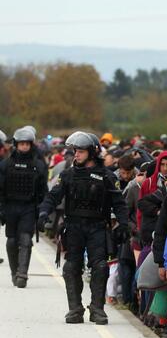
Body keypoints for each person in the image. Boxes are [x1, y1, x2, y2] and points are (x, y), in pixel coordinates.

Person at [39, 132, 128, 324]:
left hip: (98, 227)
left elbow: (119, 203)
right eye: (75, 151)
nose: (76, 155)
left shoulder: (107, 176)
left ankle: (97, 308)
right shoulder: (67, 175)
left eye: (80, 151)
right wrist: (43, 213)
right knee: (71, 267)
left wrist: (124, 224)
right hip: (74, 227)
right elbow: (53, 196)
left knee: (100, 267)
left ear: (92, 152)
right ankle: (75, 309)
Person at [0, 126, 49, 287]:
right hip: (10, 207)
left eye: (27, 144)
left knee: (25, 239)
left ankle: (23, 273)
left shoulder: (38, 166)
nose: (24, 147)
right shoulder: (6, 165)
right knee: (12, 242)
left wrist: (43, 212)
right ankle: (15, 272)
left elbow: (43, 191)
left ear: (31, 145)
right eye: (21, 144)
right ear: (16, 144)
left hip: (29, 207)